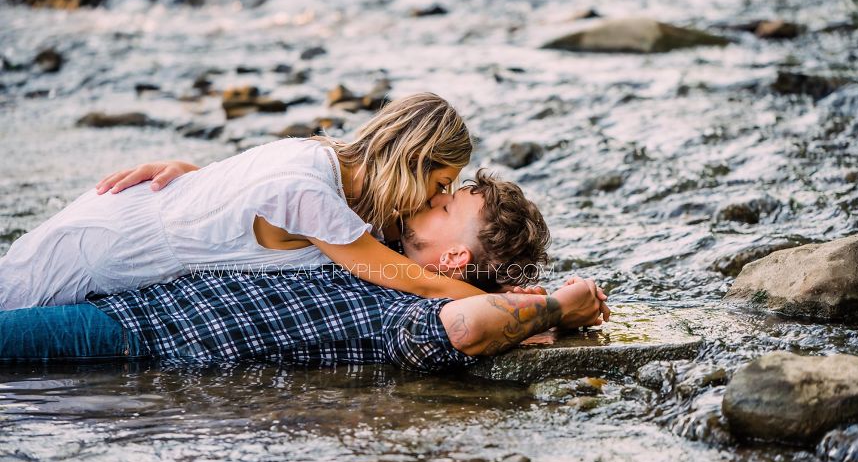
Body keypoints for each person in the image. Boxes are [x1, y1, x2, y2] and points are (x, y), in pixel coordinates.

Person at [0, 174, 608, 370]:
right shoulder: (367, 237)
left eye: (444, 206)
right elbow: (275, 197)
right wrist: (199, 180)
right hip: (125, 289)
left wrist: (558, 306)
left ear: (454, 260)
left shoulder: (409, 306)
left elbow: (467, 327)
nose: (425, 197)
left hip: (140, 333)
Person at [0, 93, 490, 310]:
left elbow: (235, 190)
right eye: (443, 183)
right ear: (414, 161)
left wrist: (190, 173)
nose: (439, 197)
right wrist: (509, 308)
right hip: (104, 253)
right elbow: (422, 285)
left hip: (119, 225)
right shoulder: (312, 195)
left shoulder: (319, 155)